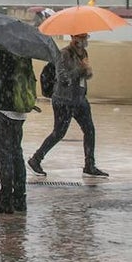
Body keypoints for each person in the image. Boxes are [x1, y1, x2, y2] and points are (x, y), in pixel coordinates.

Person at [28, 34, 108, 177]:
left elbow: (84, 76)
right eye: (81, 37)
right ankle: (36, 159)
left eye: (85, 37)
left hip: (79, 99)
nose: (84, 40)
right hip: (64, 100)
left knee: (89, 130)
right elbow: (63, 77)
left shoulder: (84, 53)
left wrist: (88, 72)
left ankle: (89, 165)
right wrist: (81, 70)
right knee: (58, 133)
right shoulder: (64, 54)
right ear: (73, 38)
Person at [0, 45, 34, 214]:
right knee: (17, 153)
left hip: (1, 109)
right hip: (19, 110)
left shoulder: (1, 53)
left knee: (4, 155)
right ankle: (20, 199)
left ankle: (5, 201)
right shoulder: (24, 52)